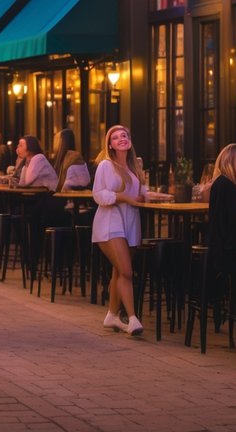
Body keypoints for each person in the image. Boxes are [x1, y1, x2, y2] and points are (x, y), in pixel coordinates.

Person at [91, 124, 146, 336]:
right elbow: (98, 195)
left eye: (124, 135)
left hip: (130, 224)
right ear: (110, 145)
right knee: (126, 270)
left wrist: (148, 197)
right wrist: (123, 197)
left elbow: (141, 194)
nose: (121, 139)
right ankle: (132, 318)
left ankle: (112, 315)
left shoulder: (134, 168)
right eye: (116, 138)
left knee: (118, 270)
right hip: (109, 223)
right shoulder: (106, 165)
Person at [206, 144, 236, 293]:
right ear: (235, 160)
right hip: (228, 249)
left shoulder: (221, 183)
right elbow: (235, 222)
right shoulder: (228, 186)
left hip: (219, 246)